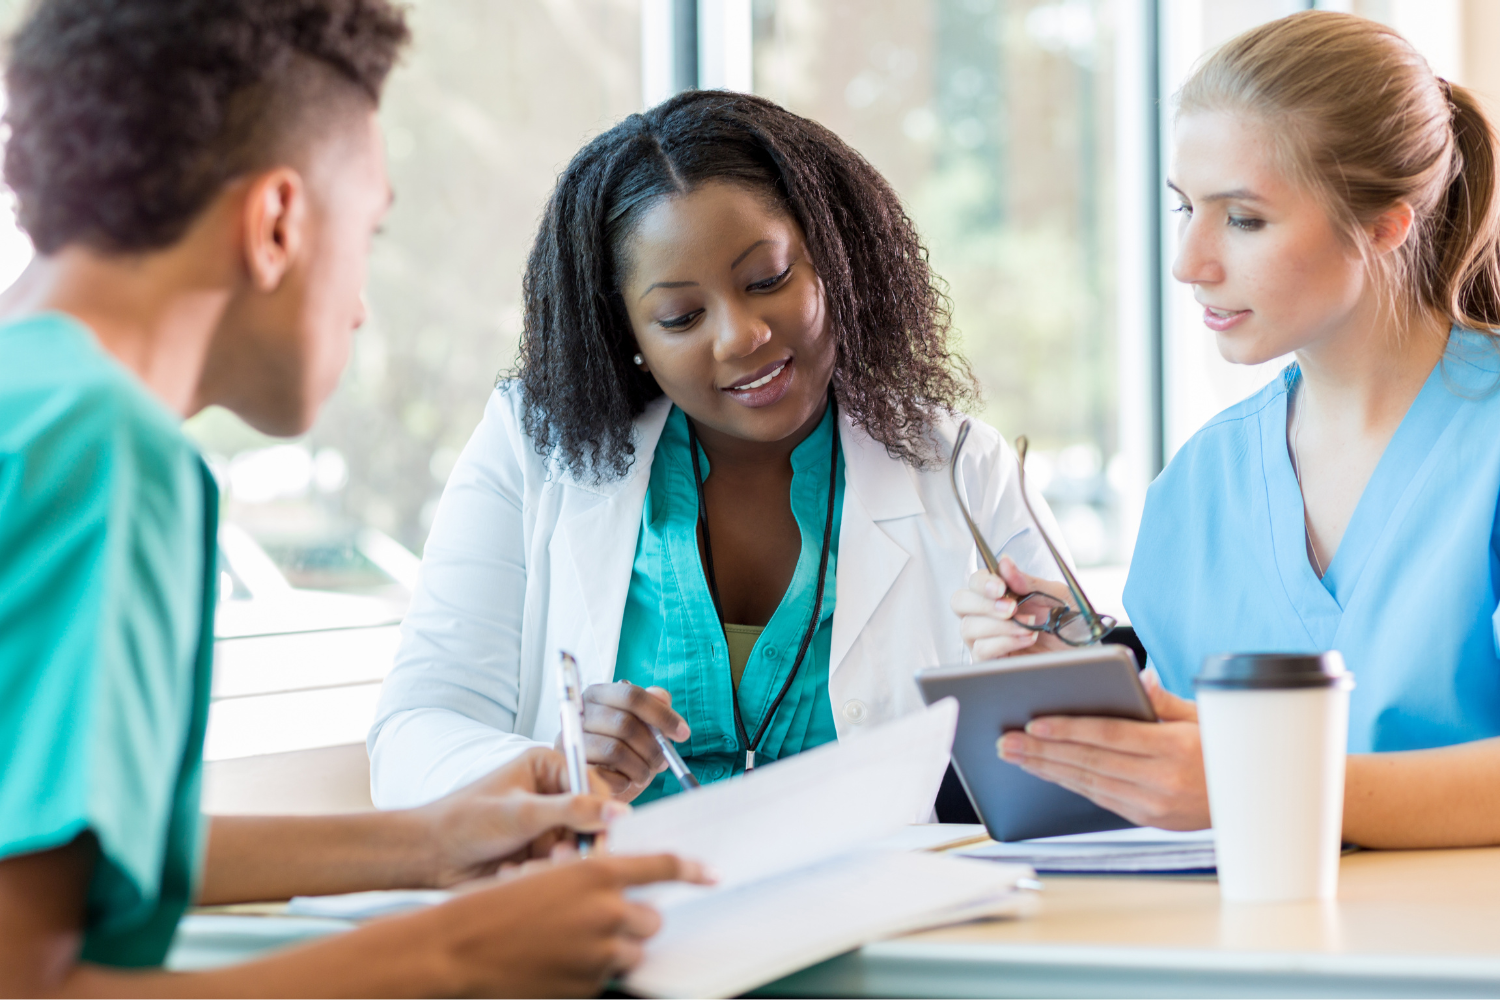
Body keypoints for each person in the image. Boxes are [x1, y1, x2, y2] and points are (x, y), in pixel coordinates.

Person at [0, 1, 706, 996]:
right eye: (366, 233)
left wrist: (427, 840)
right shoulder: (105, 447)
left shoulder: (26, 403)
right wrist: (465, 951)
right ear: (278, 222)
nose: (363, 303)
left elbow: (49, 851)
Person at [367, 89, 1069, 810]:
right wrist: (556, 764)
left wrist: (1050, 670)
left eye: (767, 280)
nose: (740, 336)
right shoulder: (532, 449)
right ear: (629, 336)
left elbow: (1078, 759)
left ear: (836, 257)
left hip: (882, 912)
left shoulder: (962, 469)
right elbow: (413, 736)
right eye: (680, 316)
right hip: (619, 913)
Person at [953, 10, 1500, 848]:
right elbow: (1185, 781)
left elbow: (1233, 784)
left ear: (1388, 224)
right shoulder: (1200, 488)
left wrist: (1265, 783)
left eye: (1243, 219)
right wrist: (1075, 679)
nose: (1190, 263)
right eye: (1185, 209)